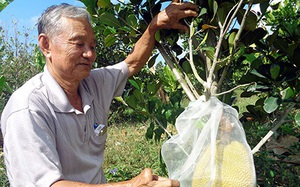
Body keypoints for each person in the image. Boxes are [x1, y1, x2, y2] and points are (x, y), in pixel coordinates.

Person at [1, 1, 198, 186]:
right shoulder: (28, 109)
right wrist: (131, 184)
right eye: (78, 44)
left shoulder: (93, 83)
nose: (89, 54)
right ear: (46, 45)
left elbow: (132, 63)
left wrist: (154, 27)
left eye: (93, 46)